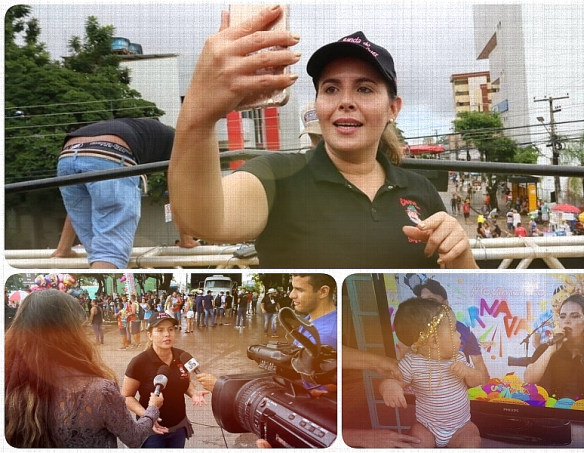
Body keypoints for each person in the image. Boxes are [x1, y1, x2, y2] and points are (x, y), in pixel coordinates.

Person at [167, 7, 477, 270]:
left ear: (393, 109)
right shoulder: (277, 176)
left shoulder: (420, 189)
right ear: (317, 103)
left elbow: (461, 297)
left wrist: (461, 257)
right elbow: (203, 218)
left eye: (364, 89)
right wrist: (199, 112)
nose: (345, 100)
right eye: (330, 89)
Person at [5, 290, 163, 448]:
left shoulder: (10, 386)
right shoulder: (100, 392)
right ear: (73, 333)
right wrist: (153, 408)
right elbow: (134, 438)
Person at [51, 118, 200, 268]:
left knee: (99, 252)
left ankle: (69, 260)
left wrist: (63, 249)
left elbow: (80, 207)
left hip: (67, 157)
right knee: (109, 254)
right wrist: (186, 239)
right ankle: (100, 290)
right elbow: (177, 192)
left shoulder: (145, 131)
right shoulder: (176, 143)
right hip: (111, 155)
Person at [379, 299, 481, 448]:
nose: (459, 334)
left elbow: (476, 381)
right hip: (428, 428)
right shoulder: (412, 363)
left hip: (460, 427)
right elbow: (391, 380)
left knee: (472, 437)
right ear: (434, 341)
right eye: (453, 330)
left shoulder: (457, 358)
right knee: (417, 437)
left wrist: (468, 372)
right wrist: (390, 387)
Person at [122, 312, 209, 448]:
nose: (167, 334)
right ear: (149, 335)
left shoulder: (182, 356)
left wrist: (194, 393)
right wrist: (148, 416)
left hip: (179, 426)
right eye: (160, 330)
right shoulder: (139, 362)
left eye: (170, 329)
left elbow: (185, 382)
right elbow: (127, 396)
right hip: (151, 430)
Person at [524, 294, 584, 402]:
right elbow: (528, 380)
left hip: (582, 414)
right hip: (546, 413)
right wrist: (551, 348)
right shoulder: (545, 348)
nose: (567, 321)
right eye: (562, 316)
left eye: (574, 316)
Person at [412, 279, 489, 379]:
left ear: (446, 304)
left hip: (458, 390)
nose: (425, 306)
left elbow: (479, 364)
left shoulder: (463, 331)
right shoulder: (414, 331)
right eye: (422, 301)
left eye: (431, 300)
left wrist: (486, 391)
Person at [290, 274, 337, 349]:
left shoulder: (323, 337)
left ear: (323, 292)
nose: (291, 295)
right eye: (293, 288)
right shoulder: (310, 319)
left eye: (299, 290)